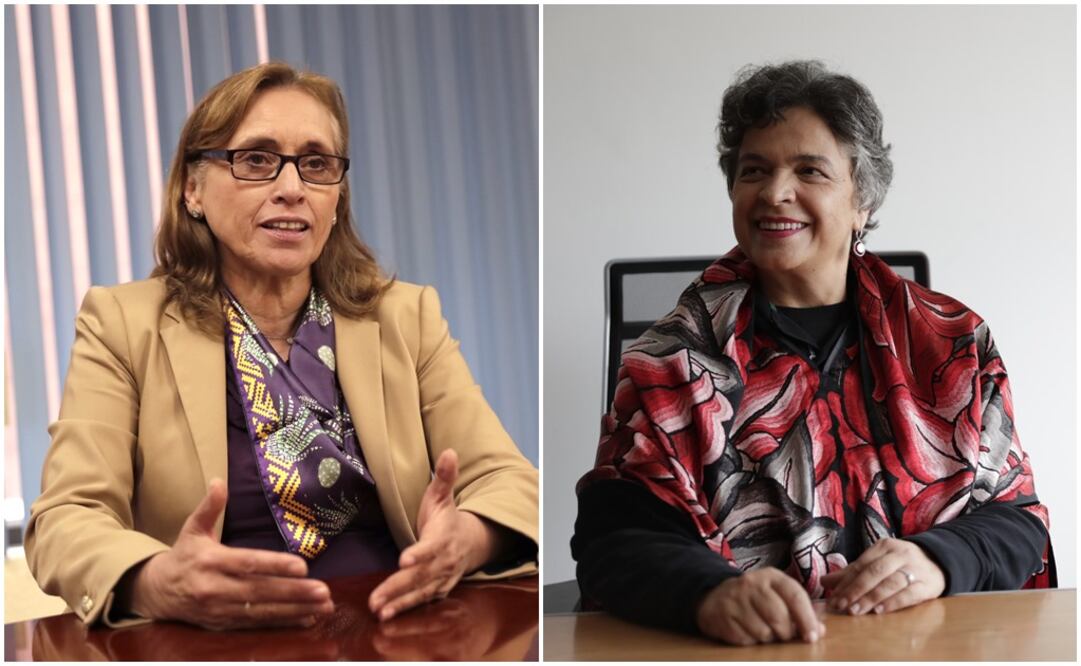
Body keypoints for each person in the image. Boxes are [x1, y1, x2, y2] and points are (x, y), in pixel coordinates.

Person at [25, 62, 538, 630]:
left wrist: (465, 540)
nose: (292, 189)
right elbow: (67, 518)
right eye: (256, 160)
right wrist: (158, 581)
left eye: (316, 165)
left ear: (337, 196)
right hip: (213, 643)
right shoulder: (122, 324)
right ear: (193, 188)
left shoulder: (404, 316)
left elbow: (509, 482)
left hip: (398, 627)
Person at [572, 60, 1052, 646]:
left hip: (923, 649)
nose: (775, 193)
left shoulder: (953, 341)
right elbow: (614, 536)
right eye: (755, 170)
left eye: (809, 170)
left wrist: (939, 560)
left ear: (862, 203)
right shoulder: (669, 358)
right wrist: (707, 592)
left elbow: (1017, 517)